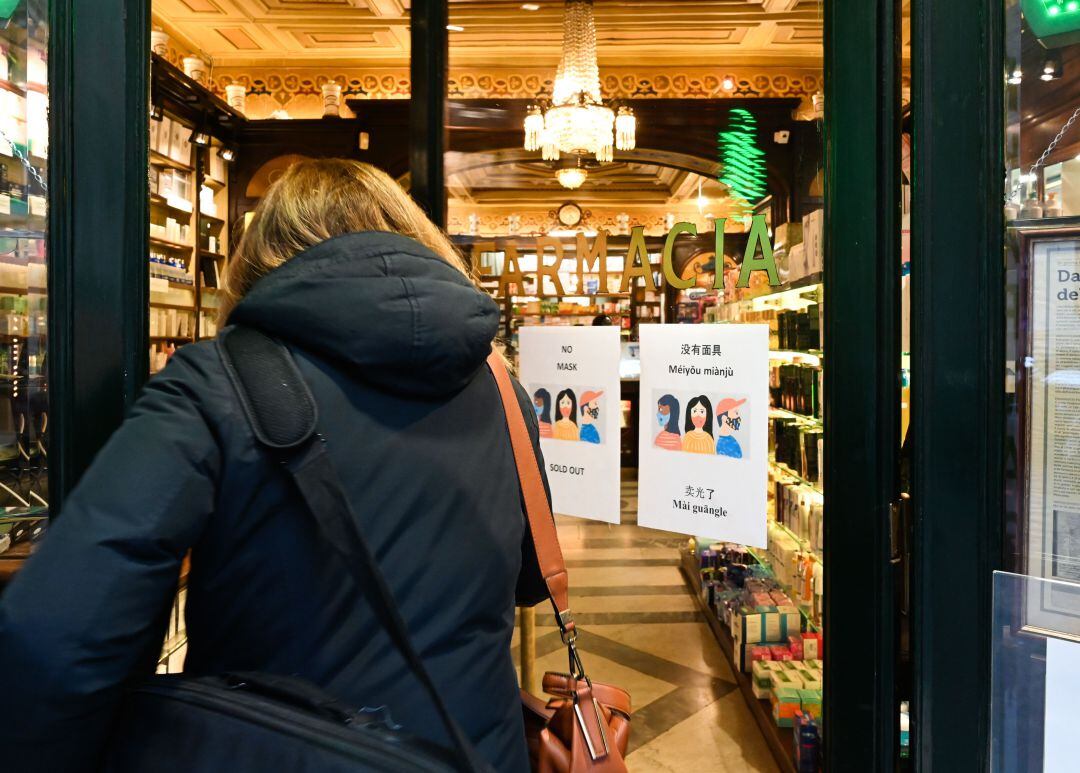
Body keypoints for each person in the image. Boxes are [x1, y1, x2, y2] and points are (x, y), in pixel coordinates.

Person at [0, 159, 548, 773]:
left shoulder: (214, 384)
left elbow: (60, 633)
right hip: (477, 754)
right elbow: (530, 581)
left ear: (257, 260)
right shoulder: (504, 390)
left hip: (272, 752)